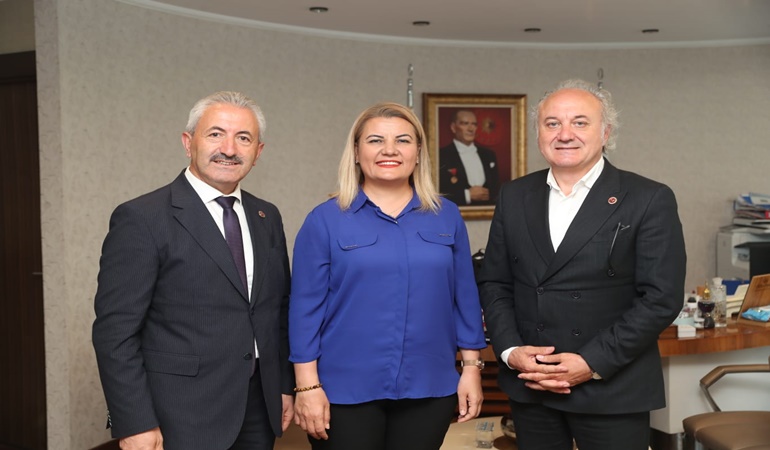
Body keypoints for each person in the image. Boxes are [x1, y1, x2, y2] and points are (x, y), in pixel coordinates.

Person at [478, 79, 686, 450]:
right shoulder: (514, 195)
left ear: (606, 132)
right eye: (552, 123)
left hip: (612, 385)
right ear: (539, 134)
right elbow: (495, 283)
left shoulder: (648, 197)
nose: (564, 134)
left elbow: (660, 298)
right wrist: (510, 351)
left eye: (580, 122)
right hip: (533, 383)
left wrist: (591, 362)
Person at [92, 91, 294, 450]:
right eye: (215, 134)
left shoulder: (266, 216)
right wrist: (134, 421)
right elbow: (115, 333)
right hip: (179, 414)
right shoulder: (143, 218)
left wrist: (282, 386)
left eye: (243, 138)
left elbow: (276, 312)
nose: (229, 149)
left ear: (258, 152)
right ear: (188, 143)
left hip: (257, 409)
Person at [289, 102, 487, 450]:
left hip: (429, 387)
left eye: (403, 140)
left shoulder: (447, 216)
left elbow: (465, 299)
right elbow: (304, 310)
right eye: (375, 140)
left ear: (418, 152)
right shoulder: (324, 220)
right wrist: (307, 386)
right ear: (356, 152)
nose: (390, 150)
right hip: (343, 391)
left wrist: (471, 369)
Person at [438, 109, 500, 206]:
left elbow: (497, 189)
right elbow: (437, 191)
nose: (471, 129)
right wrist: (467, 195)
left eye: (474, 124)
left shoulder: (488, 155)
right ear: (453, 127)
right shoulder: (441, 155)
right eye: (465, 123)